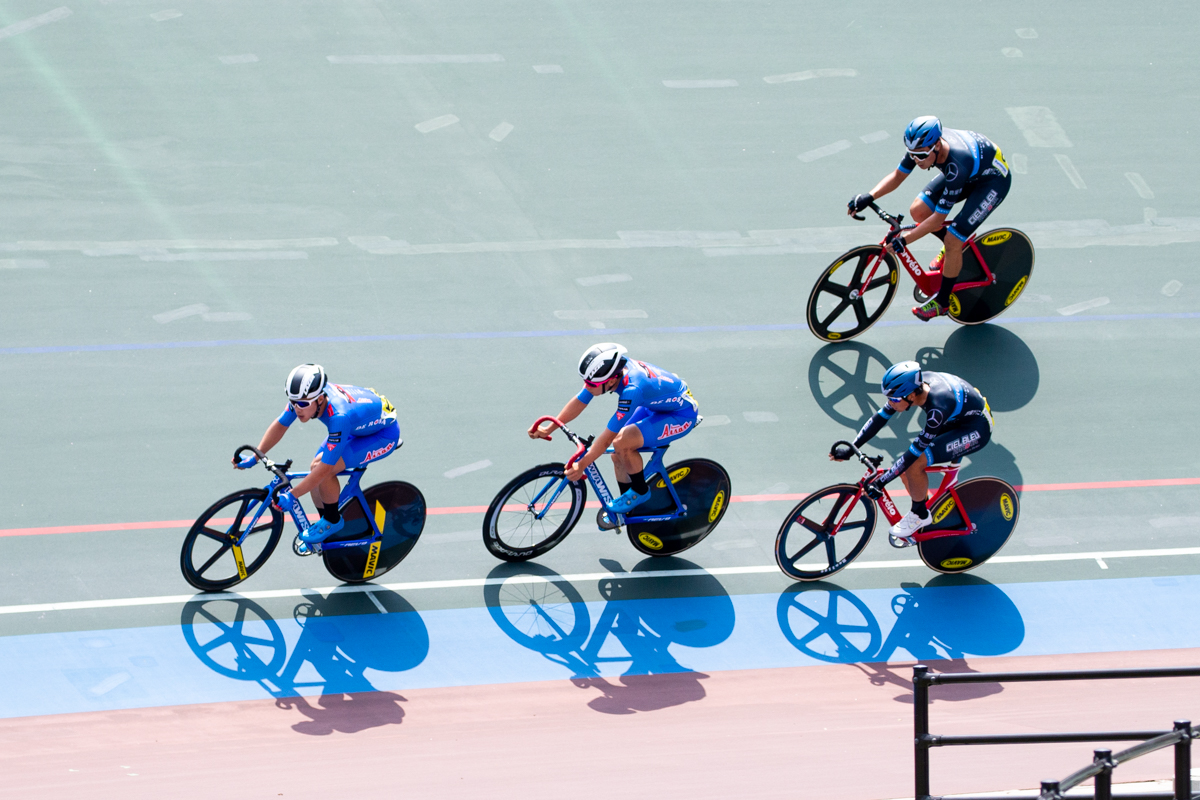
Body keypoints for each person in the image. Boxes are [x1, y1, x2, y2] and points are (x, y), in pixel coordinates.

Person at [847, 116, 1012, 320]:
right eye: (912, 155)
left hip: (992, 182)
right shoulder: (921, 147)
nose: (916, 160)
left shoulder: (956, 166)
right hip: (972, 171)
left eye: (921, 156)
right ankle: (953, 251)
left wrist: (904, 240)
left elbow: (936, 219)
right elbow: (898, 176)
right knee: (918, 211)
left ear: (936, 146)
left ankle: (942, 302)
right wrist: (869, 196)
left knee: (954, 238)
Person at [234, 364, 400, 545]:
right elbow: (281, 425)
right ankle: (326, 528)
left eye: (303, 404)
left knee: (322, 470)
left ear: (320, 399)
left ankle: (332, 521)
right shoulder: (304, 397)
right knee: (315, 468)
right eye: (293, 402)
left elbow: (324, 470)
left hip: (381, 435)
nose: (297, 409)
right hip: (357, 426)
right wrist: (256, 457)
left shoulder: (338, 417)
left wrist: (292, 495)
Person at [833, 361, 993, 545]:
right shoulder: (915, 386)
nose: (889, 403)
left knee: (914, 464)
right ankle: (925, 507)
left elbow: (913, 454)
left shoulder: (937, 410)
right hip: (957, 417)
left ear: (910, 396)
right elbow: (880, 417)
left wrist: (881, 481)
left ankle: (920, 514)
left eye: (893, 399)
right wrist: (852, 448)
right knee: (905, 467)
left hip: (975, 429)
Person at [528, 343, 699, 514]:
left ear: (610, 381)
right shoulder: (610, 373)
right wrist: (549, 428)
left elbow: (606, 439)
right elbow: (581, 400)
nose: (587, 387)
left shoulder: (632, 390)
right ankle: (628, 507)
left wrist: (581, 465)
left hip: (680, 415)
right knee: (617, 454)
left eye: (591, 384)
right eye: (585, 382)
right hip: (655, 405)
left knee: (622, 443)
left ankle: (640, 491)